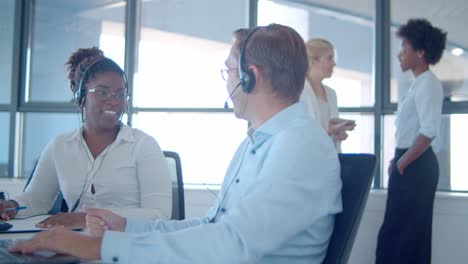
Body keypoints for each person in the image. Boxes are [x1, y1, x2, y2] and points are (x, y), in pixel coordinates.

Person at [10, 24, 342, 263]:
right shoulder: (258, 144)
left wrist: (97, 248)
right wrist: (126, 227)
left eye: (228, 70)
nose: (226, 79)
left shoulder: (299, 146)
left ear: (249, 77)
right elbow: (211, 225)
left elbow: (233, 245)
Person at [0, 47, 172, 228]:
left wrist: (84, 218)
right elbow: (36, 199)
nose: (113, 101)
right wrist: (10, 207)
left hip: (130, 247)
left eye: (120, 94)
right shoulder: (60, 145)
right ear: (80, 97)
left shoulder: (143, 145)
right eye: (102, 92)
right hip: (76, 245)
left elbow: (159, 215)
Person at [376, 19, 447, 264]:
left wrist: (402, 163)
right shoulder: (418, 83)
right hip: (409, 160)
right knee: (398, 233)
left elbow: (428, 131)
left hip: (416, 163)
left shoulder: (428, 83)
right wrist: (398, 161)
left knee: (404, 235)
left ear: (421, 52)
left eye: (404, 49)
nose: (399, 54)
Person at [301, 38, 355, 152]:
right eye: (329, 58)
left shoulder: (331, 94)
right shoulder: (300, 92)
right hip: (309, 157)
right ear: (313, 61)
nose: (334, 63)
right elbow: (300, 135)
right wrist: (329, 131)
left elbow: (329, 131)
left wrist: (338, 134)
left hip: (330, 156)